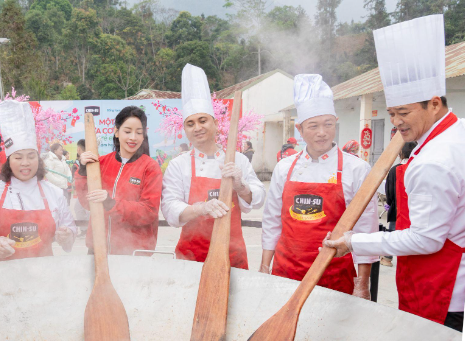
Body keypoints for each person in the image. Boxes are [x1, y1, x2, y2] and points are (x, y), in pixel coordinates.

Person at [324, 15, 465, 331]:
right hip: (437, 278)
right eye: (391, 114)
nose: (397, 123)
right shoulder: (456, 133)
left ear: (433, 103)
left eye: (404, 113)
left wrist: (355, 242)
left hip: (440, 287)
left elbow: (426, 238)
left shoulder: (434, 160)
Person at [261, 74, 379, 298]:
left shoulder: (357, 168)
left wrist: (362, 284)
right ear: (300, 128)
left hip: (334, 275)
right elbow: (272, 221)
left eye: (328, 124)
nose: (322, 132)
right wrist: (265, 267)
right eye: (313, 126)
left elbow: (366, 229)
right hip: (286, 272)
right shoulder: (284, 168)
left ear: (335, 124)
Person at [162, 64, 266, 270]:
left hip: (232, 255)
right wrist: (201, 208)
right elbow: (169, 209)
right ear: (185, 129)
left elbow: (259, 198)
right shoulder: (178, 165)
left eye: (203, 120)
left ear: (216, 123)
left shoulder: (238, 160)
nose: (197, 127)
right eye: (190, 123)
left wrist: (241, 185)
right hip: (190, 259)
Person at [0, 100, 76, 262]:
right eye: (18, 157)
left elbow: (70, 228)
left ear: (38, 159)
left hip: (44, 275)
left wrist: (67, 236)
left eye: (31, 156)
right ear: (9, 161)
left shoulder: (54, 192)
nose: (25, 163)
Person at [75, 105, 162, 255]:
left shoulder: (150, 167)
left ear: (144, 135)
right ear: (116, 131)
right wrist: (83, 171)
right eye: (127, 131)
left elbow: (149, 211)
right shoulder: (100, 163)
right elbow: (86, 203)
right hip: (98, 248)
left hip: (134, 252)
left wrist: (111, 203)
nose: (133, 137)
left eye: (139, 132)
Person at [382, 141, 418, 267]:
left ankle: (387, 258)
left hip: (398, 209)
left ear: (401, 153)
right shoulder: (419, 167)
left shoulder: (395, 169)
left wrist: (390, 203)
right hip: (416, 210)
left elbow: (390, 191)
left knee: (393, 232)